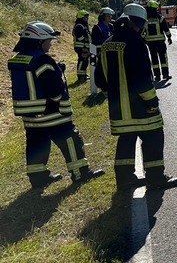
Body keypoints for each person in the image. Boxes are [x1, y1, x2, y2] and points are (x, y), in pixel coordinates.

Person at [8, 21, 105, 189]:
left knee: (37, 146)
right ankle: (80, 173)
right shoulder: (42, 60)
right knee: (71, 141)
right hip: (52, 113)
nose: (50, 44)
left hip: (30, 116)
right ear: (39, 41)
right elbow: (53, 88)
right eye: (48, 40)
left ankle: (38, 178)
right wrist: (59, 80)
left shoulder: (17, 60)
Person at [95, 3, 177, 191]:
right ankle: (156, 179)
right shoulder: (136, 43)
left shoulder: (107, 43)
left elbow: (100, 78)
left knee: (126, 142)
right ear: (136, 24)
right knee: (154, 138)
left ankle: (124, 180)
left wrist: (113, 96)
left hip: (118, 109)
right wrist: (152, 102)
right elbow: (142, 78)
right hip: (140, 107)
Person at [144, 0, 173, 82]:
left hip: (150, 42)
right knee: (163, 58)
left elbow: (143, 31)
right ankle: (165, 74)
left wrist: (143, 40)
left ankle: (157, 76)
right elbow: (166, 29)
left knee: (154, 59)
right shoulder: (160, 18)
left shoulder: (145, 19)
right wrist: (169, 37)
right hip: (160, 41)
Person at [73, 10, 91, 82]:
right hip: (81, 46)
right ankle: (80, 77)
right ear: (81, 17)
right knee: (82, 61)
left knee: (85, 61)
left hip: (84, 46)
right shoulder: (79, 25)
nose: (87, 18)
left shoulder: (83, 25)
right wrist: (85, 40)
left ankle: (83, 75)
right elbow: (78, 35)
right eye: (86, 17)